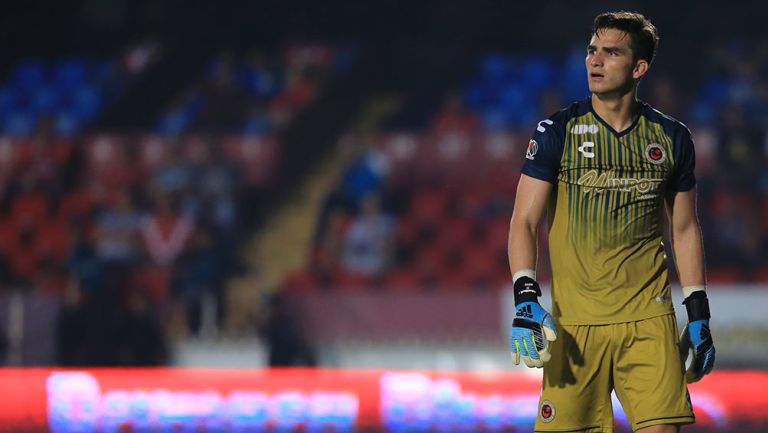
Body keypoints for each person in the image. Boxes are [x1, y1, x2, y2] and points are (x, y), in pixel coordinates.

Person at [507, 12, 715, 433]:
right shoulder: (557, 131)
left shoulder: (672, 138)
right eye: (592, 50)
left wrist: (698, 313)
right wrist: (525, 298)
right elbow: (523, 221)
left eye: (611, 52)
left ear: (639, 68)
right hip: (574, 325)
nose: (595, 61)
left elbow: (685, 229)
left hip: (649, 320)